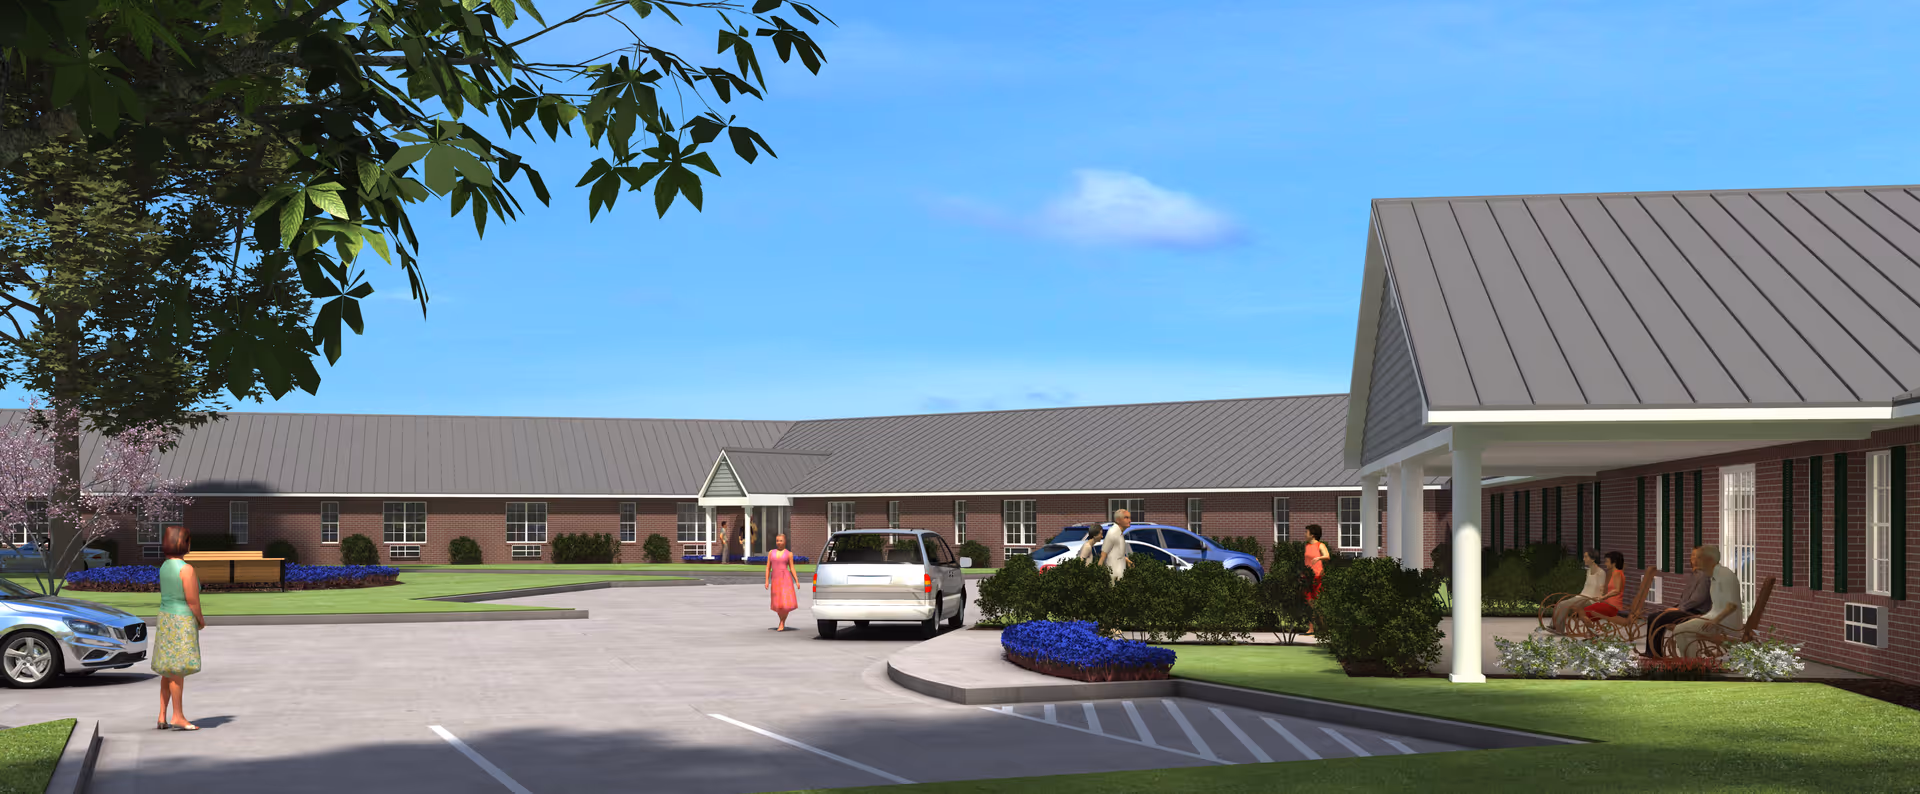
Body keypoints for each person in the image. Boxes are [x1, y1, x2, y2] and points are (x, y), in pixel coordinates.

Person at [152, 524, 205, 731]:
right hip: (181, 621)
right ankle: (178, 716)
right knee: (177, 671)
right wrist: (201, 620)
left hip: (165, 618)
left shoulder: (164, 566)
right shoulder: (187, 569)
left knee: (167, 670)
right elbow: (192, 601)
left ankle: (162, 715)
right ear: (185, 543)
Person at [1670, 545, 1745, 658]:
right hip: (1713, 617)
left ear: (1709, 560)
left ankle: (1691, 664)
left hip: (1725, 622)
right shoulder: (1713, 576)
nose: (1695, 561)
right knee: (1681, 628)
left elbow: (1732, 605)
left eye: (1699, 558)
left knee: (1681, 629)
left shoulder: (1725, 575)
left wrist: (1714, 621)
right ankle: (1691, 662)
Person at [1644, 547, 1714, 657]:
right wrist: (1677, 606)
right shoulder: (1695, 575)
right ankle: (1652, 652)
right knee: (1653, 616)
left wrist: (1679, 608)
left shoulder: (1704, 576)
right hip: (1686, 608)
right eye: (1692, 556)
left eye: (1697, 556)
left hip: (1694, 611)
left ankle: (1654, 653)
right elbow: (1686, 597)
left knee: (1660, 618)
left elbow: (1698, 599)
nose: (1693, 559)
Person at [1550, 550, 1610, 633]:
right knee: (1560, 603)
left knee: (1563, 605)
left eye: (1586, 557)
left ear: (1592, 559)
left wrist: (1599, 600)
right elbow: (1586, 587)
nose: (1584, 559)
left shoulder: (1601, 573)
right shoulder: (1588, 571)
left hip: (1590, 599)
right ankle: (1555, 626)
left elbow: (1601, 589)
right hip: (1582, 596)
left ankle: (1558, 628)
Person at [765, 533, 800, 631]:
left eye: (781, 540)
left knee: (785, 602)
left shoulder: (789, 554)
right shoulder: (771, 552)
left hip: (785, 579)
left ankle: (782, 622)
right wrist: (766, 580)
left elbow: (792, 568)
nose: (779, 543)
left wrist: (796, 580)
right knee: (777, 602)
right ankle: (781, 620)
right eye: (777, 541)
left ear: (785, 542)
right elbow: (768, 567)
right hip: (775, 579)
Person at [1580, 551, 1627, 621]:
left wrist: (1603, 597)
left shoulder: (1617, 573)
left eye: (1607, 562)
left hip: (1613, 606)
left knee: (1584, 611)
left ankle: (1593, 630)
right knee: (1584, 610)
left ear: (1614, 563)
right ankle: (1593, 629)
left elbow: (1617, 590)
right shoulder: (1614, 573)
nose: (1605, 564)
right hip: (1608, 603)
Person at [1303, 525, 1330, 635]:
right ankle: (1311, 628)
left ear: (1312, 535)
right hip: (1307, 577)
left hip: (1317, 577)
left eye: (1307, 532)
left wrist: (1319, 558)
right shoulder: (1306, 546)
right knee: (1309, 602)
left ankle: (1323, 628)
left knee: (1318, 602)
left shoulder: (1320, 545)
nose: (1305, 534)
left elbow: (1327, 556)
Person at [1100, 509, 1138, 579]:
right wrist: (1098, 572)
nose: (1129, 521)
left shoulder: (1119, 533)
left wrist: (1126, 560)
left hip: (1119, 574)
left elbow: (1116, 552)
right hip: (1113, 575)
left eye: (1129, 518)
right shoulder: (1113, 532)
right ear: (1118, 520)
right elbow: (1103, 554)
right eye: (1126, 518)